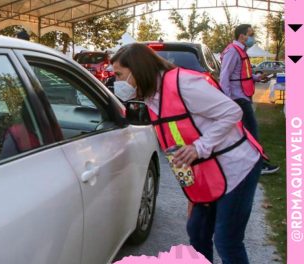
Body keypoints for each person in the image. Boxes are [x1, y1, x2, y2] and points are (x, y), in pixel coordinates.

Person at [110, 43, 265, 264]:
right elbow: (176, 143)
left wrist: (199, 147)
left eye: (119, 74)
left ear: (137, 69)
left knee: (226, 240)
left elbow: (232, 111)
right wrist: (193, 192)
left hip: (237, 168)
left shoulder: (183, 83)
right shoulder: (151, 95)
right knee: (198, 232)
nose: (117, 81)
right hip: (208, 173)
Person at [220, 24, 279, 175]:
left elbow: (240, 73)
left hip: (243, 96)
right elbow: (225, 76)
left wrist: (257, 77)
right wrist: (228, 100)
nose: (252, 38)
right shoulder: (232, 51)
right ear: (241, 36)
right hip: (238, 99)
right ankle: (258, 166)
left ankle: (245, 164)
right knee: (252, 131)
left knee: (245, 133)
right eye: (250, 34)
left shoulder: (240, 51)